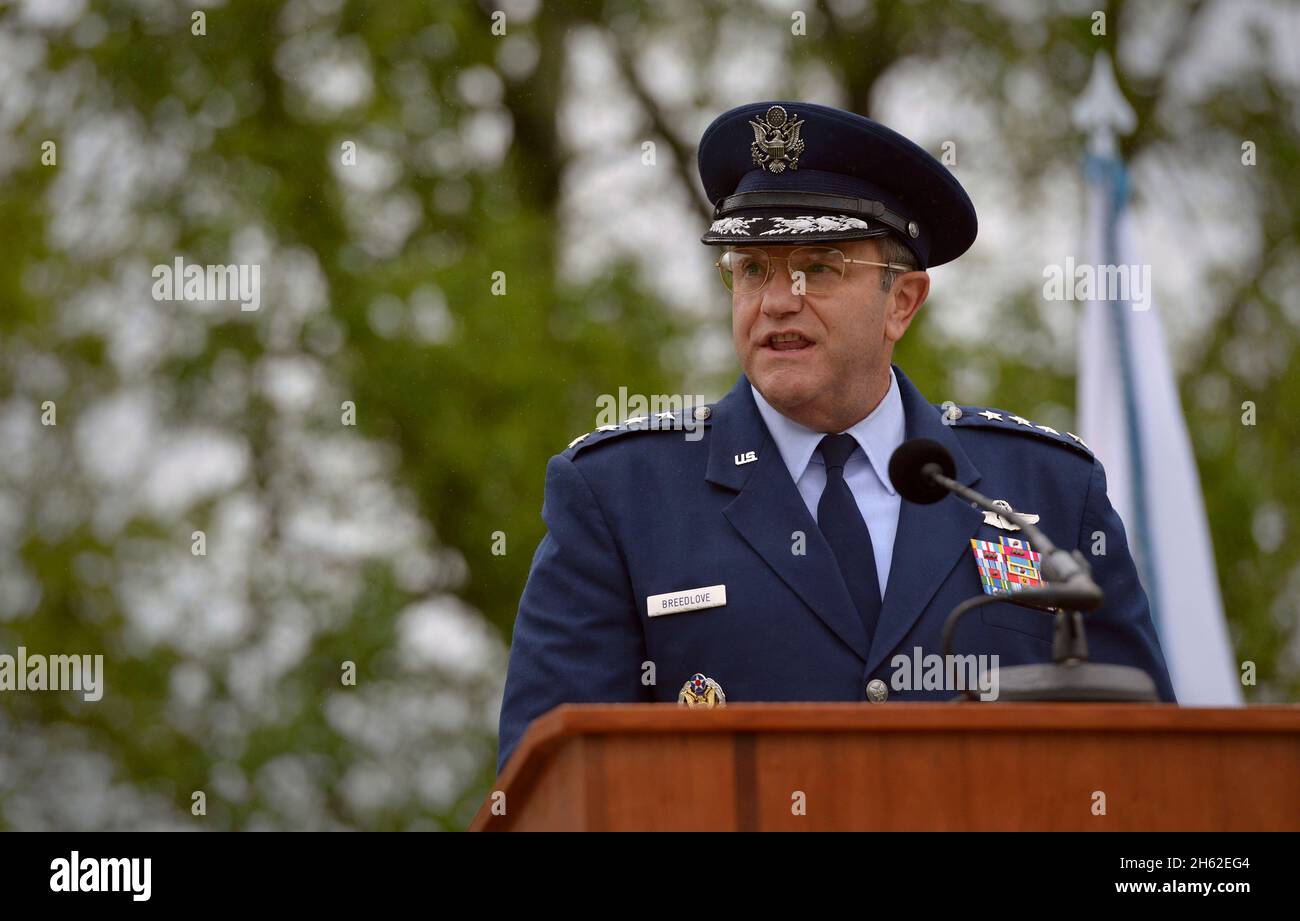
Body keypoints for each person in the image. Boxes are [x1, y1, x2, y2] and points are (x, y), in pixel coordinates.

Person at [496, 101, 1175, 774]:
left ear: (901, 302)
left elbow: (1149, 772)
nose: (776, 300)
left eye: (818, 268)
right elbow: (548, 787)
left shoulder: (1047, 494)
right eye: (753, 268)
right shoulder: (620, 497)